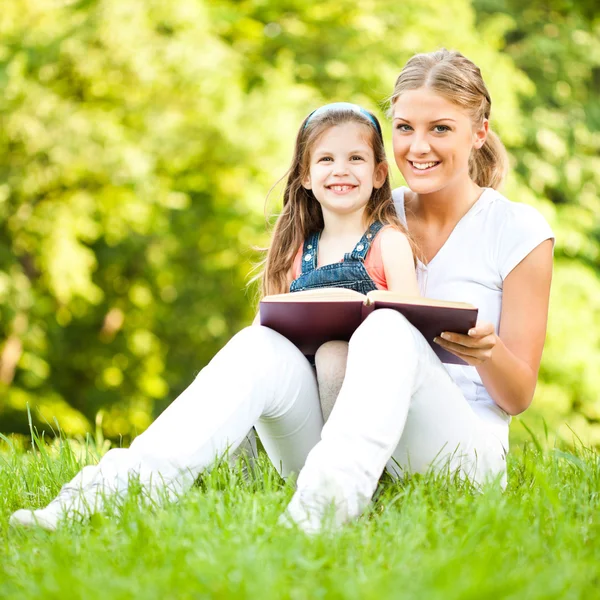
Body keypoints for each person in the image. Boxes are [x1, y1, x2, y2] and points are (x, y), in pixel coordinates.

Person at [9, 102, 420, 531]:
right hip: (309, 433)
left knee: (339, 356)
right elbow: (276, 341)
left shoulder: (388, 243)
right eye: (326, 159)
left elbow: (408, 344)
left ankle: (350, 502)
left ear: (378, 173)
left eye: (355, 158)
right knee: (253, 343)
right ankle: (106, 494)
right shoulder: (299, 251)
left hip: (376, 437)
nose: (341, 170)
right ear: (304, 174)